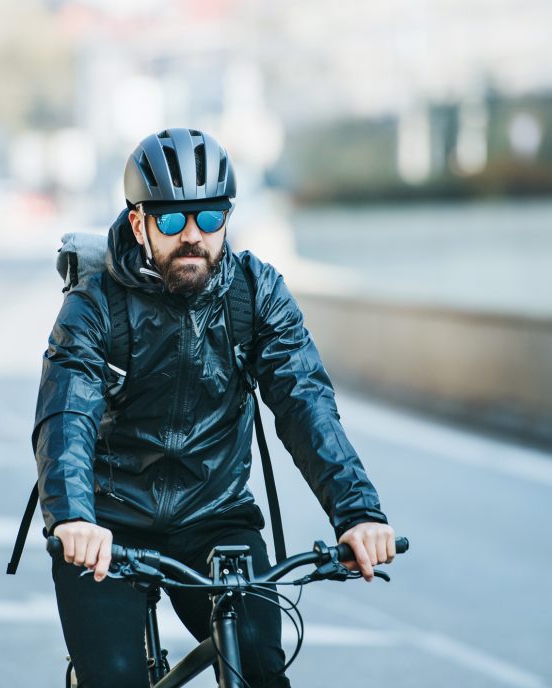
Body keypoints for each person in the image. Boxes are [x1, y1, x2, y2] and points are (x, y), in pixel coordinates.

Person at [33, 127, 395, 688]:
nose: (192, 236)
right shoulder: (95, 305)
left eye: (208, 218)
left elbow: (305, 403)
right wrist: (75, 517)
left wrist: (358, 513)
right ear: (139, 224)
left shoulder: (256, 292)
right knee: (115, 679)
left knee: (259, 670)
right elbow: (67, 418)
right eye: (172, 222)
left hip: (215, 516)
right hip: (107, 522)